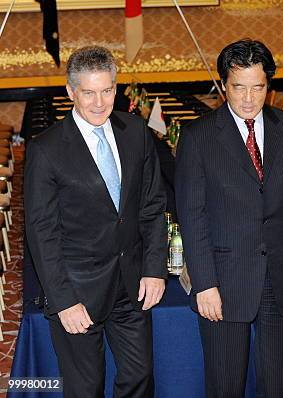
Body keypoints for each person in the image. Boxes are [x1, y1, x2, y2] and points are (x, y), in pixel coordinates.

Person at [175, 39, 283, 397]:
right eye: (238, 87)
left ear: (268, 86)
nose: (248, 98)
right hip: (223, 280)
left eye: (258, 87)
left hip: (281, 276)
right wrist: (205, 283)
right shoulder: (198, 137)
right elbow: (192, 216)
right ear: (224, 84)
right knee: (225, 385)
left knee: (276, 385)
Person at [24, 46, 167, 397]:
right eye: (88, 92)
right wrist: (62, 301)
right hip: (77, 292)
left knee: (140, 377)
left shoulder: (135, 131)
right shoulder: (46, 149)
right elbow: (42, 233)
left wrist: (154, 269)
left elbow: (152, 205)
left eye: (107, 90)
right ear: (71, 92)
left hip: (132, 284)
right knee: (85, 388)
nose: (100, 102)